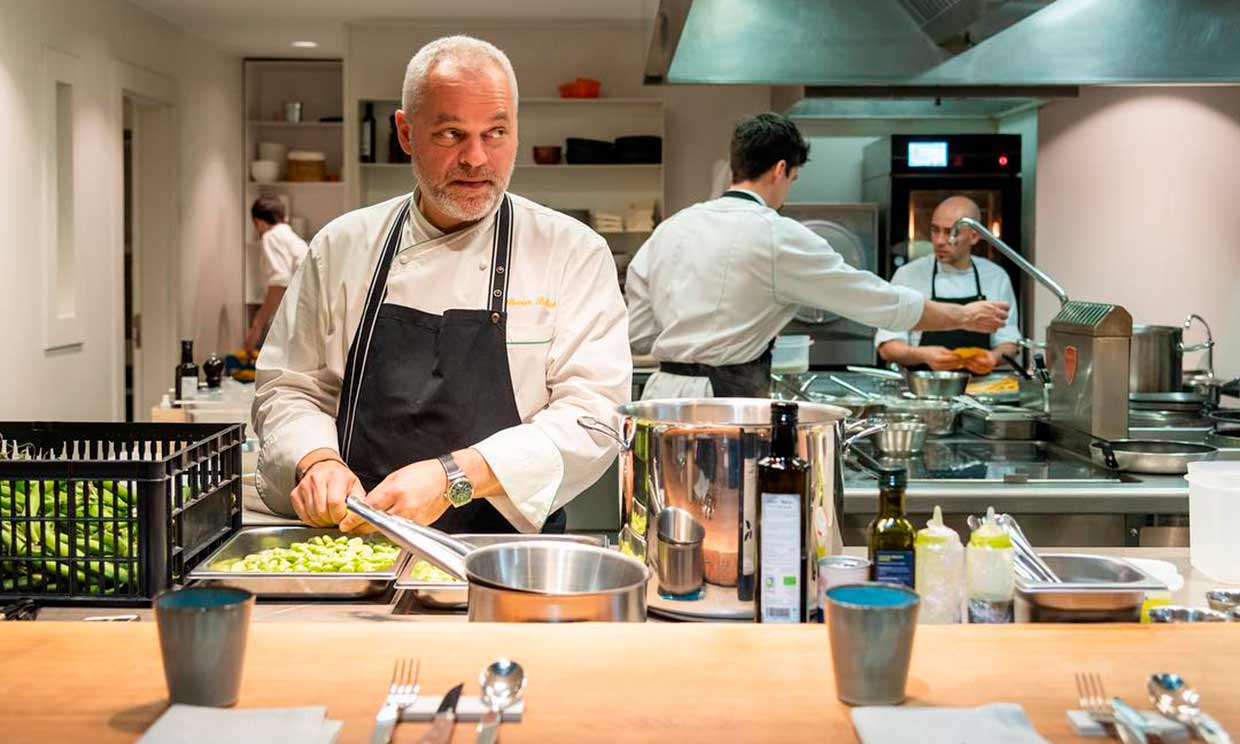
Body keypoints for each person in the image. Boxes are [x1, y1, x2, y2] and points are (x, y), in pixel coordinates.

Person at [252, 36, 630, 534]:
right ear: (406, 134)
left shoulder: (571, 252)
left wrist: (455, 475)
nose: (477, 159)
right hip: (355, 537)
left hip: (503, 553)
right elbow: (290, 386)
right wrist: (317, 459)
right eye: (452, 134)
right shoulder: (341, 246)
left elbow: (593, 415)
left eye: (495, 133)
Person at [625, 113, 1009, 399]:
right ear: (780, 169)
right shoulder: (777, 235)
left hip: (658, 400)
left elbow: (639, 333)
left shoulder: (671, 228)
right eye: (792, 178)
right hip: (723, 408)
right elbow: (872, 300)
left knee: (660, 507)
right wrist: (962, 314)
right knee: (722, 508)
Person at [875, 196, 1021, 375]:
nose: (939, 241)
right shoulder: (909, 275)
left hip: (977, 387)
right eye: (935, 231)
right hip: (922, 386)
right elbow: (887, 347)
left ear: (974, 236)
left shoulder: (995, 277)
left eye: (950, 233)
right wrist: (923, 355)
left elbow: (1008, 342)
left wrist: (993, 357)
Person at [244, 196, 309, 354]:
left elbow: (279, 283)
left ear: (258, 222)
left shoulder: (271, 236)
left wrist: (257, 326)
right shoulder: (293, 238)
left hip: (301, 314)